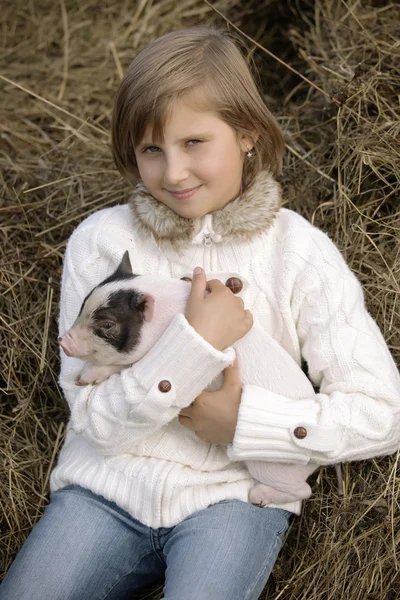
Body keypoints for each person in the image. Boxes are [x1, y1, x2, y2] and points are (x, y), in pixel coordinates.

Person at [2, 25, 400, 600]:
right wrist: (194, 345)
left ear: (246, 133)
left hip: (234, 500)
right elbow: (97, 425)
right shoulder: (102, 241)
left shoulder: (299, 250)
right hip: (103, 491)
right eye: (151, 150)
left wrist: (245, 424)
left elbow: (383, 414)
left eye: (194, 143)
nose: (174, 174)